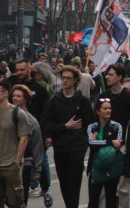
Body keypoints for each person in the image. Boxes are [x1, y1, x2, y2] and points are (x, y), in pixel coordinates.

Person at [41, 65, 94, 208]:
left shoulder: (82, 101)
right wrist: (64, 127)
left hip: (77, 146)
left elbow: (91, 123)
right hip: (60, 147)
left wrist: (86, 140)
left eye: (68, 78)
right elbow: (46, 124)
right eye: (63, 78)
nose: (65, 81)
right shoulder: (53, 101)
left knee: (73, 182)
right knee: (64, 182)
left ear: (75, 80)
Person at [98, 63, 130, 208]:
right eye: (106, 74)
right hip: (107, 145)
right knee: (103, 186)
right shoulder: (104, 96)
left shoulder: (129, 97)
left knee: (123, 187)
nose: (107, 77)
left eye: (111, 74)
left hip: (123, 146)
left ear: (120, 77)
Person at [0, 82, 30, 208]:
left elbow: (24, 138)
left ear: (5, 94)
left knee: (15, 202)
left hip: (11, 165)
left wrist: (17, 161)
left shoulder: (18, 114)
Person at [11, 84, 46, 206]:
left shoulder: (31, 121)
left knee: (22, 198)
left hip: (25, 164)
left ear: (25, 99)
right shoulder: (6, 116)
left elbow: (37, 146)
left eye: (18, 96)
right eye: (14, 95)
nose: (15, 98)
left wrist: (37, 170)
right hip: (6, 163)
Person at [87, 98, 123, 208]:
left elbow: (118, 145)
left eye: (109, 108)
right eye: (105, 108)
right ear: (98, 111)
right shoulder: (92, 127)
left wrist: (99, 141)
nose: (108, 111)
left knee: (111, 200)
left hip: (112, 167)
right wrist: (110, 141)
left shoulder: (117, 126)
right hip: (95, 167)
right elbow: (91, 142)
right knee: (93, 201)